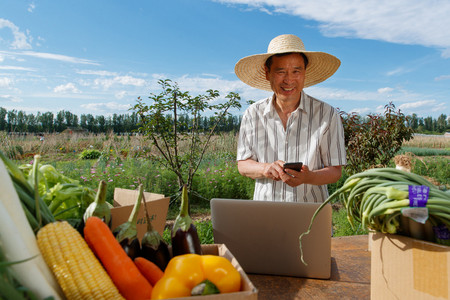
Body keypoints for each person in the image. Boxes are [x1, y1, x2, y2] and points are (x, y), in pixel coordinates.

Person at [235, 34, 347, 203]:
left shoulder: (327, 114)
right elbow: (243, 165)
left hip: (312, 213)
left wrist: (308, 177)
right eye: (281, 72)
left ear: (304, 73)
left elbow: (335, 171)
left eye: (296, 71)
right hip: (265, 214)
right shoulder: (253, 114)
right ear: (267, 73)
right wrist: (266, 168)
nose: (289, 80)